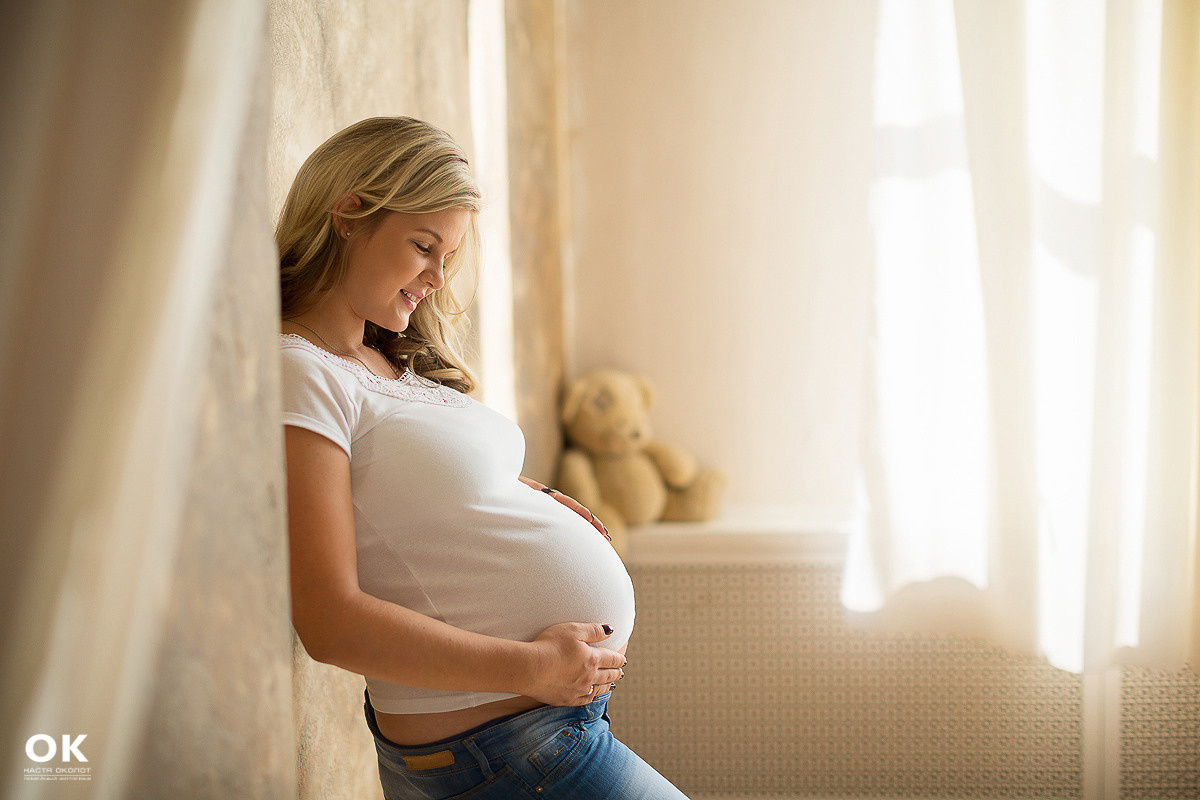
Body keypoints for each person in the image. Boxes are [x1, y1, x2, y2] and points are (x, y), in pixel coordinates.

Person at [277, 117, 689, 799]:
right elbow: (327, 618)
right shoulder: (304, 372)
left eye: (450, 255)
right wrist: (532, 668)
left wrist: (528, 498)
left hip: (530, 742)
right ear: (348, 214)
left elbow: (414, 500)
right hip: (506, 752)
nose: (438, 277)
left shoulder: (378, 359)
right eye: (423, 246)